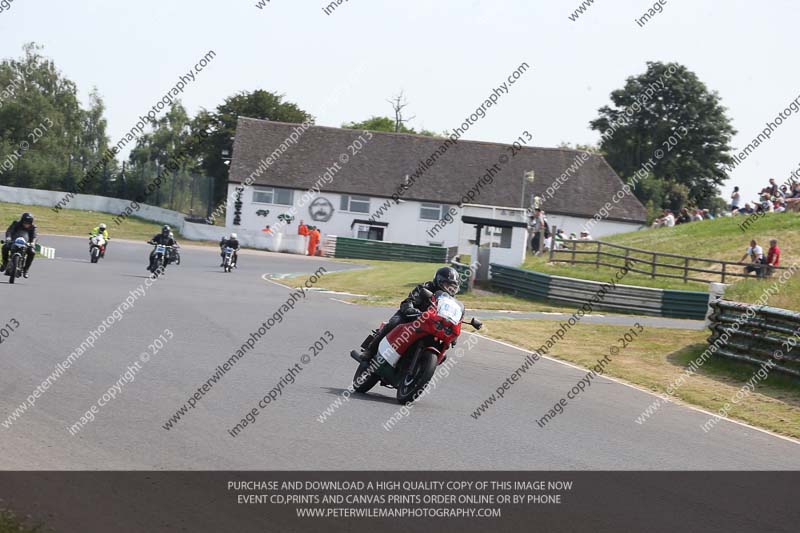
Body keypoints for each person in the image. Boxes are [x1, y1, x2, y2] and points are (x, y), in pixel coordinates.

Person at [352, 266, 460, 363]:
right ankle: (370, 350)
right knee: (394, 322)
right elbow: (410, 300)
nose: (450, 289)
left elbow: (452, 317)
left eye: (453, 287)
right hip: (411, 317)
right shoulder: (426, 287)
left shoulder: (451, 301)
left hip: (430, 325)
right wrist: (410, 309)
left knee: (443, 353)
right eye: (447, 285)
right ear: (439, 281)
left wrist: (454, 334)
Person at [1, 212, 37, 278]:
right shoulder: (16, 223)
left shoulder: (33, 227)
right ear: (22, 220)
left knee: (32, 252)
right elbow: (9, 231)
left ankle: (26, 270)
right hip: (14, 241)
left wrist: (33, 243)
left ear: (31, 223)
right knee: (5, 247)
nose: (26, 224)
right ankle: (5, 263)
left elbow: (34, 236)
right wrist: (8, 238)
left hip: (26, 244)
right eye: (25, 222)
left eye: (28, 223)